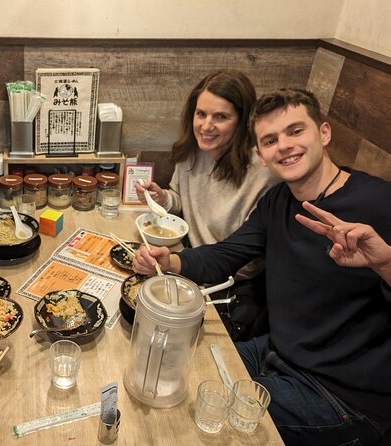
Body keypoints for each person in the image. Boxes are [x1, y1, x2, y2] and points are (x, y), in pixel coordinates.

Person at [133, 89, 391, 445]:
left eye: (295, 131)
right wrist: (171, 260)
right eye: (270, 140)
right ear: (262, 154)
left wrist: (387, 264)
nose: (283, 146)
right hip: (276, 350)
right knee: (170, 368)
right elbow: (227, 253)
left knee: (194, 422)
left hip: (340, 391)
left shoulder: (379, 202)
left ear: (325, 133)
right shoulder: (279, 200)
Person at [136, 69, 278, 340]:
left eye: (220, 117)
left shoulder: (263, 173)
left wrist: (185, 266)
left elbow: (246, 259)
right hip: (187, 264)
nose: (206, 126)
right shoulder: (192, 151)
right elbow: (180, 201)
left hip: (227, 286)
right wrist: (163, 199)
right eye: (201, 114)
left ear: (242, 121)